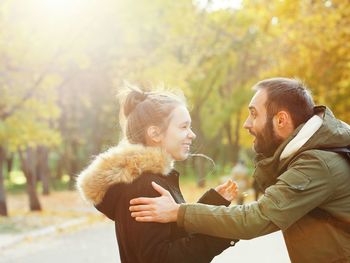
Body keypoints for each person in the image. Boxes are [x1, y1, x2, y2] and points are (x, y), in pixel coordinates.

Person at [129, 78, 350, 263]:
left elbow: (256, 218)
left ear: (281, 120)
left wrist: (179, 212)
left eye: (254, 114)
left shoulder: (317, 163)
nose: (246, 124)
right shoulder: (311, 154)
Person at [76, 86, 239, 263]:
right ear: (155, 133)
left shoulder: (151, 181)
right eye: (184, 127)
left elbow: (174, 234)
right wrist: (221, 232)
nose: (192, 134)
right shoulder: (145, 186)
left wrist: (212, 202)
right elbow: (160, 258)